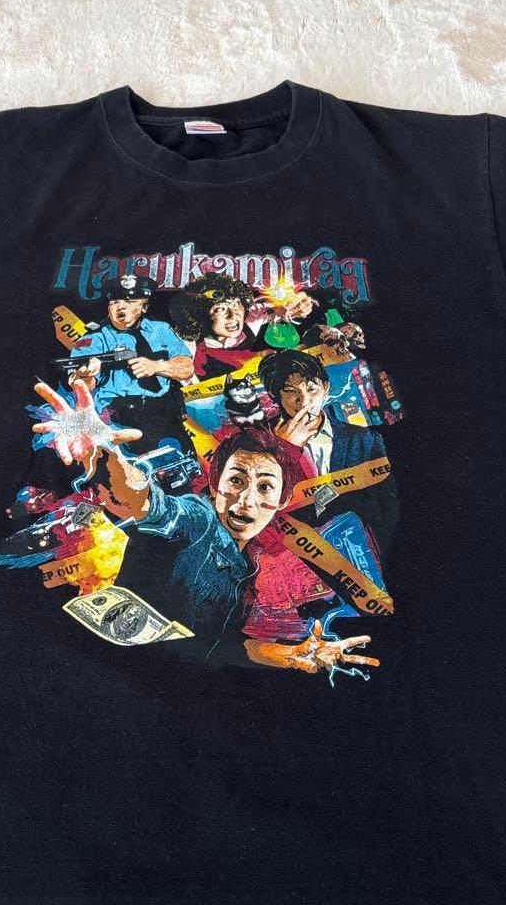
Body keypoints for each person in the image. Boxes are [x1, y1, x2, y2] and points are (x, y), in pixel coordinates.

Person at [32, 378, 376, 672]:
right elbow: (146, 502)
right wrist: (105, 453)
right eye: (236, 481)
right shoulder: (198, 520)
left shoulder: (245, 569)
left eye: (265, 488)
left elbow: (221, 647)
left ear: (283, 501)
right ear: (214, 485)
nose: (246, 501)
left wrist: (289, 656)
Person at [257, 349, 400, 559]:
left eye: (311, 388)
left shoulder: (365, 440)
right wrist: (285, 449)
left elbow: (387, 508)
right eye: (290, 391)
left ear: (325, 387)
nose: (304, 400)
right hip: (290, 557)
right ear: (274, 395)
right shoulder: (258, 440)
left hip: (360, 551)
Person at [66, 274, 194, 455]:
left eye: (130, 301)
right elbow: (81, 385)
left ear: (144, 307)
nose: (121, 306)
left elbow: (187, 368)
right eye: (114, 302)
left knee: (186, 464)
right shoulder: (93, 340)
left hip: (165, 414)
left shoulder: (161, 330)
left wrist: (155, 367)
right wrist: (85, 376)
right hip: (118, 419)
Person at [169, 272, 314, 379]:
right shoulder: (187, 346)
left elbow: (281, 308)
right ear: (200, 316)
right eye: (219, 309)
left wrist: (298, 304)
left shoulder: (250, 319)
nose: (233, 316)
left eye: (237, 304)